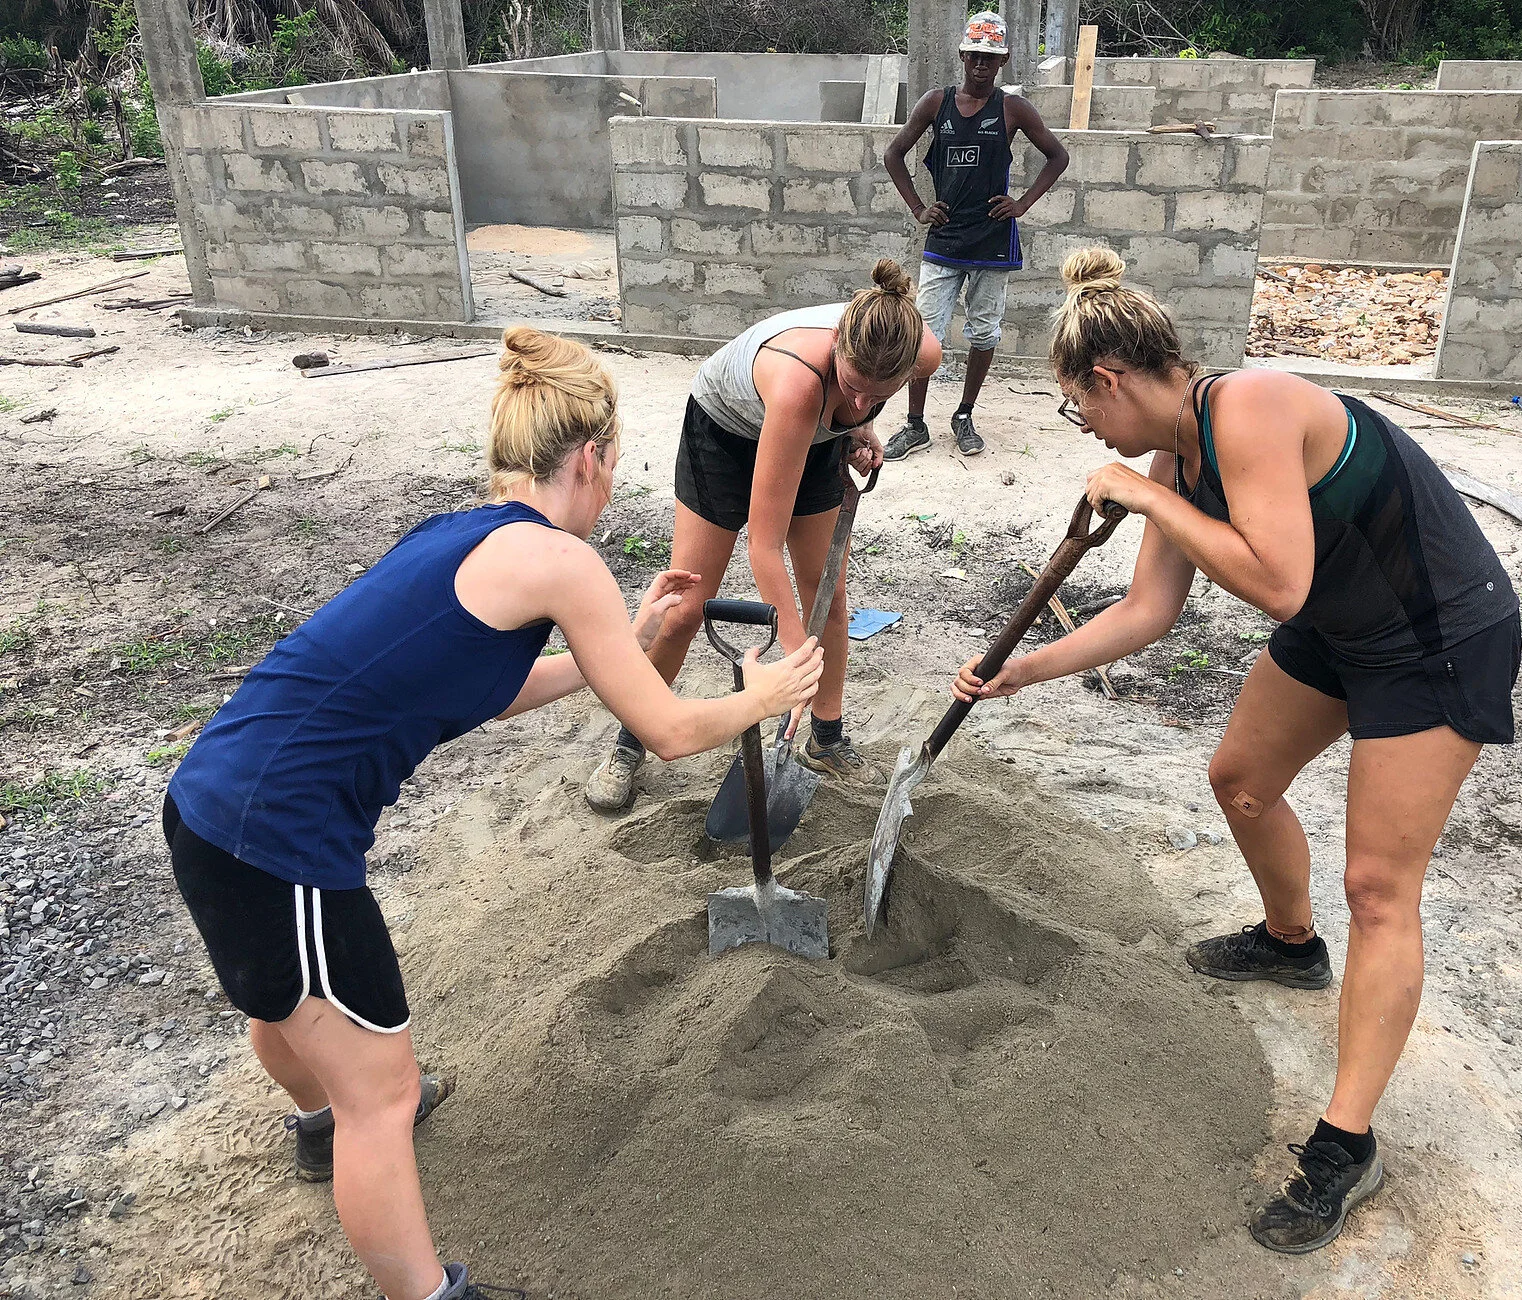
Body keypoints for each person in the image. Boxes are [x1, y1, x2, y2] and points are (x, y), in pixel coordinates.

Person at [162, 327, 823, 1300]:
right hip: (278, 837)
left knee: (286, 999)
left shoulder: (454, 535)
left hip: (212, 801)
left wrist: (630, 635)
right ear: (591, 458)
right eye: (616, 467)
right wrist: (766, 696)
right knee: (380, 1098)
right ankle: (427, 1285)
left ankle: (317, 1126)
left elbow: (481, 689)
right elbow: (675, 732)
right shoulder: (557, 559)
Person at [951, 248, 1521, 1255]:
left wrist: (1146, 497)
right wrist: (1019, 671)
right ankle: (1290, 944)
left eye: (1075, 410)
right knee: (1240, 780)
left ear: (1107, 381)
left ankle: (1346, 1147)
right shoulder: (1176, 459)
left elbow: (1277, 585)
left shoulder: (1249, 406)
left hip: (1435, 635)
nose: (1084, 430)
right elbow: (1145, 611)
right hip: (1344, 624)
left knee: (1380, 886)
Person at [585, 259, 941, 813]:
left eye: (881, 395)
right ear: (838, 349)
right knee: (686, 602)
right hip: (725, 432)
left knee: (829, 591)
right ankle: (632, 740)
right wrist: (793, 658)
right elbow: (763, 544)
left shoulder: (921, 351)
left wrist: (855, 422)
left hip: (811, 431)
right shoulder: (801, 382)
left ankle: (827, 737)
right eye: (853, 387)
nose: (864, 402)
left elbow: (857, 397)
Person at [880, 9, 1069, 460]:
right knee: (925, 334)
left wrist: (1021, 204)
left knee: (984, 332)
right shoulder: (935, 103)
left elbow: (1057, 156)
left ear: (1002, 61)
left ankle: (964, 415)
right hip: (944, 241)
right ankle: (915, 423)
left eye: (991, 56)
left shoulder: (1012, 108)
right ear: (962, 55)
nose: (982, 63)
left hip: (992, 242)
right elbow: (894, 154)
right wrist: (919, 208)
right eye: (975, 54)